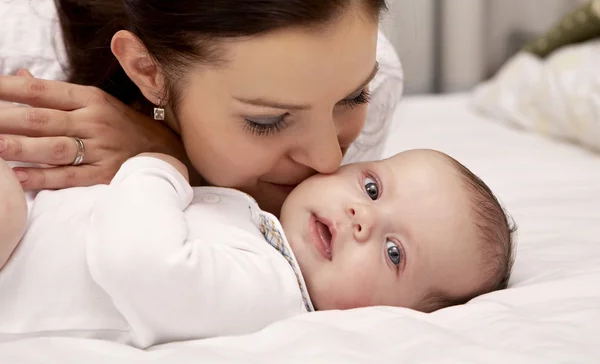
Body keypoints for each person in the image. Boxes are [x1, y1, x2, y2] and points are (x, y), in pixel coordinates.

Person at [0, 149, 515, 348]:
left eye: (395, 252)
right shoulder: (263, 234)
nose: (363, 218)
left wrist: (155, 169)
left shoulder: (268, 293)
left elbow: (138, 264)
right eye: (372, 188)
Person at [0, 0, 404, 216]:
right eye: (268, 120)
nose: (329, 160)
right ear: (147, 71)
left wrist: (164, 160)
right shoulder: (20, 54)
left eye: (354, 97)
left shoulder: (376, 72)